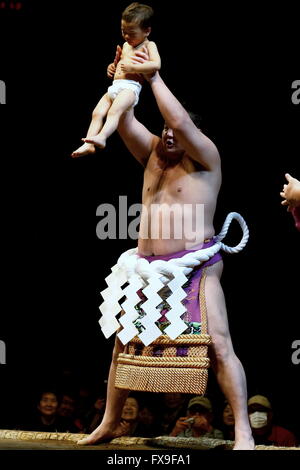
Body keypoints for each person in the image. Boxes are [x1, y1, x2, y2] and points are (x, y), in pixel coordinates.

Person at [77, 58, 254, 449]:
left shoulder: (206, 159)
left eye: (174, 130)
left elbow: (184, 124)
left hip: (197, 266)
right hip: (146, 269)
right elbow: (125, 122)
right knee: (122, 343)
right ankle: (108, 422)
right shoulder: (154, 154)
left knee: (221, 344)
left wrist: (154, 75)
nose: (169, 135)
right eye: (164, 130)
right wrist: (126, 81)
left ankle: (242, 428)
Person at [71, 2, 160, 157]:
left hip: (130, 88)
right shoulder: (126, 45)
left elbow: (156, 64)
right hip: (115, 86)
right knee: (97, 112)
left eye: (131, 33)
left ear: (147, 31)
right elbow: (119, 65)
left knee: (114, 111)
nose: (126, 36)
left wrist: (134, 69)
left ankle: (103, 136)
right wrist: (112, 68)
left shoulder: (149, 45)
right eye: (123, 31)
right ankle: (88, 144)